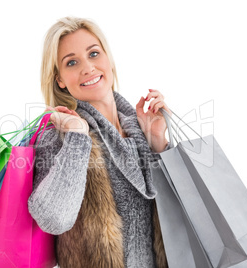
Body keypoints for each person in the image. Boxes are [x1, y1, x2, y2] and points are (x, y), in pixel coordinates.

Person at [28, 16, 171, 268]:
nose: (88, 68)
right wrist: (77, 138)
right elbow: (53, 219)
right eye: (72, 62)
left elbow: (181, 214)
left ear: (109, 60)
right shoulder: (61, 134)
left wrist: (158, 143)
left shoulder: (139, 127)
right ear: (60, 79)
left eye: (93, 54)